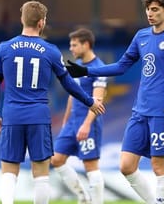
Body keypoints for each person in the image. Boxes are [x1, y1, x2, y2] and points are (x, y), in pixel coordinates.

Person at [65, 0, 164, 204]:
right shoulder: (141, 36)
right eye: (147, 10)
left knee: (159, 165)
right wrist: (87, 71)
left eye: (154, 9)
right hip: (140, 110)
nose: (150, 14)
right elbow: (121, 66)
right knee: (126, 166)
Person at [0, 1, 105, 204]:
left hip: (12, 115)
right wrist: (89, 101)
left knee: (9, 172)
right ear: (42, 22)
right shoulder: (50, 51)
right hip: (38, 117)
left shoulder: (4, 48)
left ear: (22, 19)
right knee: (41, 175)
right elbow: (68, 83)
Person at [51, 28, 107, 204]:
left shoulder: (99, 68)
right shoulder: (77, 68)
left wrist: (86, 124)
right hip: (72, 122)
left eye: (74, 45)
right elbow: (72, 95)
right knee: (57, 159)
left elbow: (97, 99)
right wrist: (66, 120)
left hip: (88, 123)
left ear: (86, 44)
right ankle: (83, 196)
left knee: (90, 165)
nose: (72, 49)